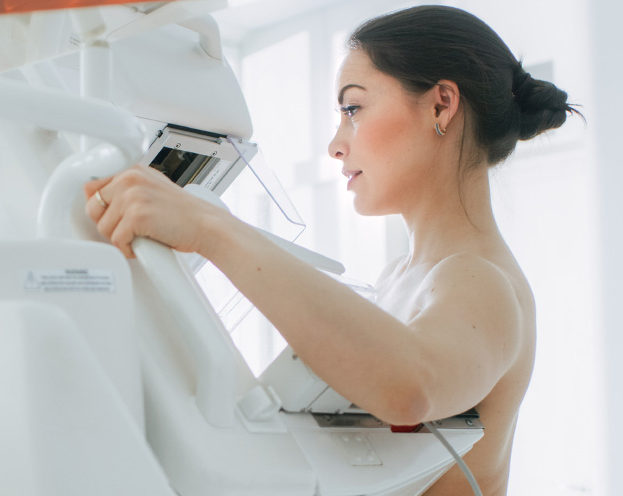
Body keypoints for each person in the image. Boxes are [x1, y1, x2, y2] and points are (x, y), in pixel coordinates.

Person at [84, 5, 579, 495]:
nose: (336, 145)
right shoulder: (401, 275)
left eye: (353, 109)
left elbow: (409, 386)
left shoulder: (479, 279)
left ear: (440, 105)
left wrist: (210, 227)